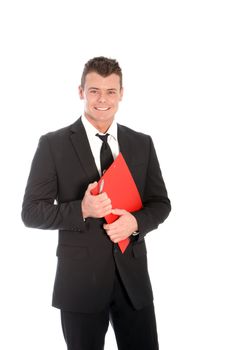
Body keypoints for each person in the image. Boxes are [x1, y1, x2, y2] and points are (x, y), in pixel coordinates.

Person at [21, 56, 171, 350]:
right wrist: (82, 209)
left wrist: (136, 222)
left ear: (121, 94)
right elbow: (31, 212)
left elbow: (160, 203)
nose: (102, 99)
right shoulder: (53, 144)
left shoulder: (142, 143)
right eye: (94, 91)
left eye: (111, 91)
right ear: (81, 92)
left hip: (133, 283)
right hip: (79, 284)